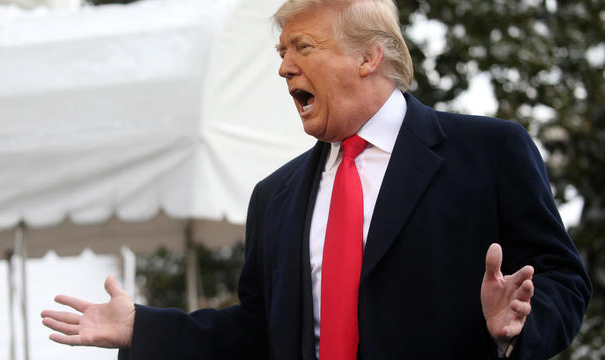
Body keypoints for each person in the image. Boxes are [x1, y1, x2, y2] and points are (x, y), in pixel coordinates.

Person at [41, 0, 592, 359]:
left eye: (303, 48)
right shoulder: (274, 197)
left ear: (369, 58)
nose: (284, 67)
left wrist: (518, 325)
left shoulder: (490, 151)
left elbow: (564, 280)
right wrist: (145, 327)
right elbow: (259, 333)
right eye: (282, 52)